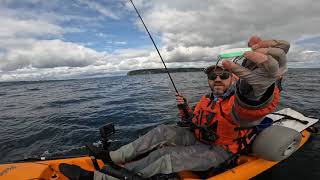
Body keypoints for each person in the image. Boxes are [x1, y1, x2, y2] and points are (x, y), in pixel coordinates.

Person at [59, 36, 290, 180]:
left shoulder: (239, 101)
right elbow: (194, 123)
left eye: (223, 74)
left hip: (220, 150)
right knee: (162, 131)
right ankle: (112, 157)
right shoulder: (206, 99)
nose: (217, 78)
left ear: (234, 78)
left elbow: (251, 107)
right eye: (212, 75)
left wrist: (260, 89)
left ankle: (105, 179)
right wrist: (185, 110)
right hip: (200, 138)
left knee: (165, 155)